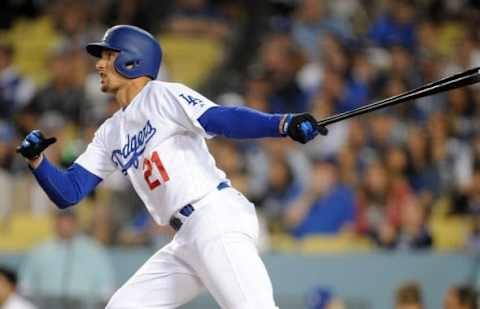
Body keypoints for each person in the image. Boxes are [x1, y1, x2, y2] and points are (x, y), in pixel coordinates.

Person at [16, 25, 327, 308]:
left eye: (108, 56)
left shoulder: (162, 95)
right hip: (184, 239)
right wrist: (38, 162)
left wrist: (282, 124)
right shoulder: (110, 132)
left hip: (214, 217)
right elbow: (69, 192)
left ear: (132, 60)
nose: (98, 64)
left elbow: (222, 118)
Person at [19, 209, 115, 309]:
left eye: (69, 220)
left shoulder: (95, 252)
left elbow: (106, 289)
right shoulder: (39, 252)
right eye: (61, 220)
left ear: (76, 223)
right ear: (55, 223)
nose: (65, 224)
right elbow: (25, 287)